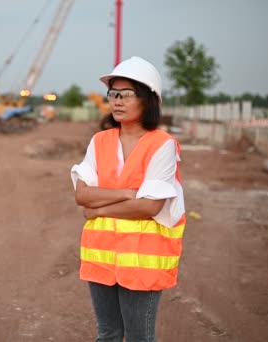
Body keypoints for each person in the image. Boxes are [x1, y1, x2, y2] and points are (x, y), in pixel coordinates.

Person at [71, 56, 186, 342]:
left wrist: (98, 211)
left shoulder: (163, 146)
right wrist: (125, 193)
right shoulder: (100, 141)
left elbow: (150, 205)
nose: (116, 101)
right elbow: (82, 195)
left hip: (142, 261)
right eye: (112, 94)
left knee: (138, 337)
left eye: (125, 94)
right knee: (108, 333)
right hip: (101, 256)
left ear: (148, 100)